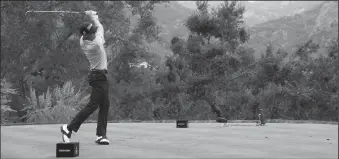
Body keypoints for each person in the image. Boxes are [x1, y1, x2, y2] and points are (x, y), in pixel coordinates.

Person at [60, 10, 110, 145]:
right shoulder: (96, 44)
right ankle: (69, 128)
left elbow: (96, 28)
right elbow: (100, 27)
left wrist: (91, 19)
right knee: (94, 105)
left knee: (105, 104)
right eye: (91, 32)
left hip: (98, 76)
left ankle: (101, 135)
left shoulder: (83, 39)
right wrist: (93, 16)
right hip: (98, 77)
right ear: (85, 34)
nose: (94, 33)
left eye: (93, 32)